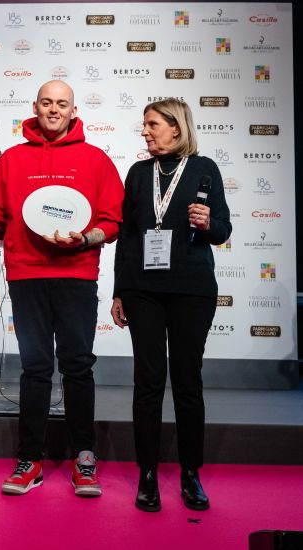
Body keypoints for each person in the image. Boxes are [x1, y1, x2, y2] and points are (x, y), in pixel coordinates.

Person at [0, 80, 124, 497]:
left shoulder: (95, 159)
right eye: (47, 103)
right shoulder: (10, 159)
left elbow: (113, 221)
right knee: (36, 368)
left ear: (73, 111)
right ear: (35, 107)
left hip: (77, 275)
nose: (54, 110)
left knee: (78, 365)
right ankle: (31, 460)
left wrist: (86, 238)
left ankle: (84, 458)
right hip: (25, 276)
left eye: (62, 104)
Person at [110, 98, 232, 512]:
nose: (145, 131)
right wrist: (118, 291)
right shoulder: (138, 173)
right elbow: (126, 236)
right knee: (147, 381)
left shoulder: (204, 169)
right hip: (143, 290)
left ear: (176, 128)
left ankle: (190, 473)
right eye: (145, 125)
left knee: (186, 380)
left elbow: (223, 229)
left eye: (152, 124)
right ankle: (147, 473)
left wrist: (207, 223)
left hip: (191, 290)